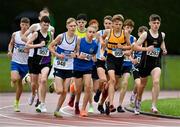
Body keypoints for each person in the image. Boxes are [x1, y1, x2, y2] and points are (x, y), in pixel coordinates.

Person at [132, 14, 167, 114]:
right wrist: (146, 49)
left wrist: (164, 49)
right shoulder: (145, 35)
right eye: (154, 23)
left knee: (156, 82)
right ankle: (137, 102)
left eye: (158, 23)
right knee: (141, 86)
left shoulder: (162, 35)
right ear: (150, 23)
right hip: (144, 64)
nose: (156, 25)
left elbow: (161, 43)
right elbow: (134, 47)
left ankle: (154, 106)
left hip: (156, 64)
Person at [22, 8, 55, 107]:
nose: (46, 18)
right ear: (40, 18)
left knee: (42, 80)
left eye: (47, 17)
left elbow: (52, 43)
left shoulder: (51, 29)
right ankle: (33, 94)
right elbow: (24, 36)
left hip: (45, 58)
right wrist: (33, 43)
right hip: (33, 55)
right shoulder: (34, 27)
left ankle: (40, 100)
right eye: (43, 16)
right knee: (34, 83)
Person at [101, 14, 131, 115]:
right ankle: (111, 103)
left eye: (119, 24)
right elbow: (101, 38)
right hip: (110, 59)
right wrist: (103, 43)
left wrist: (122, 48)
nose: (117, 26)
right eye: (116, 24)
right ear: (112, 24)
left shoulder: (125, 33)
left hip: (120, 60)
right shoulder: (109, 32)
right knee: (112, 80)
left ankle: (106, 100)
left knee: (115, 85)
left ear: (122, 25)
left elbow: (129, 46)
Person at [48, 18, 77, 117]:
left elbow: (77, 52)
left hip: (69, 68)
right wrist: (56, 54)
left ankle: (57, 110)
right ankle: (54, 84)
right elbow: (50, 46)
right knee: (59, 91)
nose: (73, 28)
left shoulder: (77, 39)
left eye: (74, 26)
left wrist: (75, 55)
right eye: (71, 26)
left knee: (65, 90)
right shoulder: (61, 37)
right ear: (67, 26)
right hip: (59, 67)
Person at [73, 26, 98, 117]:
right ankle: (76, 103)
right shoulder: (80, 40)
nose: (91, 34)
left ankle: (83, 109)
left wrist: (94, 58)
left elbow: (93, 56)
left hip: (88, 68)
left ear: (95, 34)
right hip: (78, 67)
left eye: (93, 32)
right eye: (90, 32)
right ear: (86, 32)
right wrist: (78, 55)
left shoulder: (95, 45)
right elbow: (75, 53)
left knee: (88, 87)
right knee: (78, 89)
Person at [7, 17, 30, 112]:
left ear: (29, 25)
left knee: (21, 85)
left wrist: (29, 49)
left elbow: (34, 48)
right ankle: (13, 79)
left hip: (26, 64)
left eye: (26, 25)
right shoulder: (15, 34)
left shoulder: (31, 35)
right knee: (15, 78)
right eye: (23, 24)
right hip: (16, 62)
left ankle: (16, 103)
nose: (24, 27)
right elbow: (11, 44)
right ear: (20, 24)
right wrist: (9, 51)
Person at [68, 13, 88, 108]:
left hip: (85, 59)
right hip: (75, 58)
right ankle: (73, 95)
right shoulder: (73, 31)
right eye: (79, 22)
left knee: (84, 83)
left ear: (86, 23)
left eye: (82, 22)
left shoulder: (88, 32)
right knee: (74, 81)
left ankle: (75, 96)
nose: (80, 24)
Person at [93, 15, 112, 114]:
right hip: (100, 60)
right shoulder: (99, 33)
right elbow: (93, 45)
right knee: (103, 80)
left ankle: (101, 103)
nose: (108, 25)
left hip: (111, 61)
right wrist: (93, 55)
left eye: (109, 23)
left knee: (109, 86)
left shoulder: (115, 34)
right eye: (106, 23)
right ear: (103, 24)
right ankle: (98, 92)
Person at [117, 19, 136, 112]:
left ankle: (119, 105)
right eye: (127, 27)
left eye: (130, 28)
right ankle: (107, 101)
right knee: (115, 85)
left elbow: (133, 52)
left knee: (124, 83)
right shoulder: (118, 36)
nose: (128, 29)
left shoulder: (134, 39)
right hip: (117, 63)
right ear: (123, 27)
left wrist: (131, 57)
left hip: (127, 64)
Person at [129, 26, 148, 108]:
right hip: (136, 66)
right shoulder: (135, 44)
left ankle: (134, 94)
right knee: (139, 83)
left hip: (144, 66)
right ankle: (136, 100)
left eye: (145, 34)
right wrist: (132, 59)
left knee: (141, 85)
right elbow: (129, 53)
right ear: (139, 34)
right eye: (142, 33)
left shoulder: (148, 45)